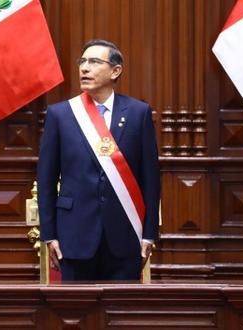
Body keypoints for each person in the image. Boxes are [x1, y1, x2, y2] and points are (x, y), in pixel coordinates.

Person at [37, 39, 160, 281]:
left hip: (125, 235)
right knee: (75, 314)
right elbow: (46, 180)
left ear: (116, 71)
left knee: (122, 314)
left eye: (94, 62)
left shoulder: (138, 113)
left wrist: (149, 234)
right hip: (74, 236)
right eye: (82, 62)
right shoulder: (60, 114)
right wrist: (49, 235)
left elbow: (151, 179)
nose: (84, 68)